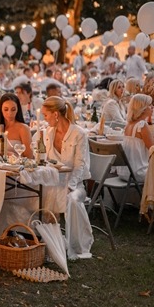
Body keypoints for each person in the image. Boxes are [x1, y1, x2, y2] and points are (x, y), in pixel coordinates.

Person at [39, 96, 93, 259]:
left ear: (56, 114)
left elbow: (80, 165)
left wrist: (70, 185)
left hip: (76, 185)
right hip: (55, 182)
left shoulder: (79, 134)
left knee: (71, 199)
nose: (44, 118)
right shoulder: (48, 133)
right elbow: (46, 159)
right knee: (39, 196)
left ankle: (75, 245)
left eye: (46, 115)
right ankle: (50, 241)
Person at [122, 94, 154, 182]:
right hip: (138, 173)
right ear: (142, 108)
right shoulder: (141, 125)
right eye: (149, 105)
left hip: (125, 172)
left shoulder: (129, 125)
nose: (152, 107)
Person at [0, 93, 33, 158]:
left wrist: (10, 155)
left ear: (17, 110)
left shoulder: (23, 129)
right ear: (1, 110)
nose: (9, 113)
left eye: (13, 109)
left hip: (19, 166)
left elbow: (29, 157)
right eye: (6, 109)